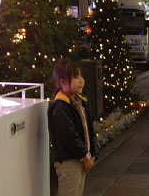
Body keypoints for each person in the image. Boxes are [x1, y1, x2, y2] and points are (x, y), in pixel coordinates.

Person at [48, 59, 98, 196]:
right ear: (63, 82)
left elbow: (89, 130)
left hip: (81, 159)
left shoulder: (80, 102)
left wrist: (93, 155)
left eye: (81, 76)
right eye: (76, 77)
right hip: (69, 162)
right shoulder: (60, 106)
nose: (81, 80)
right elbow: (69, 136)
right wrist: (86, 156)